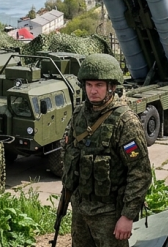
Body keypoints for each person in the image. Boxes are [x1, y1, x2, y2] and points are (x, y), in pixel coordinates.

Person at [62, 53, 152, 247]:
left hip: (109, 214)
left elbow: (140, 172)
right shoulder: (79, 115)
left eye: (99, 85)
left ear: (111, 87)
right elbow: (69, 155)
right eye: (89, 85)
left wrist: (127, 216)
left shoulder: (125, 122)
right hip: (81, 209)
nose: (93, 91)